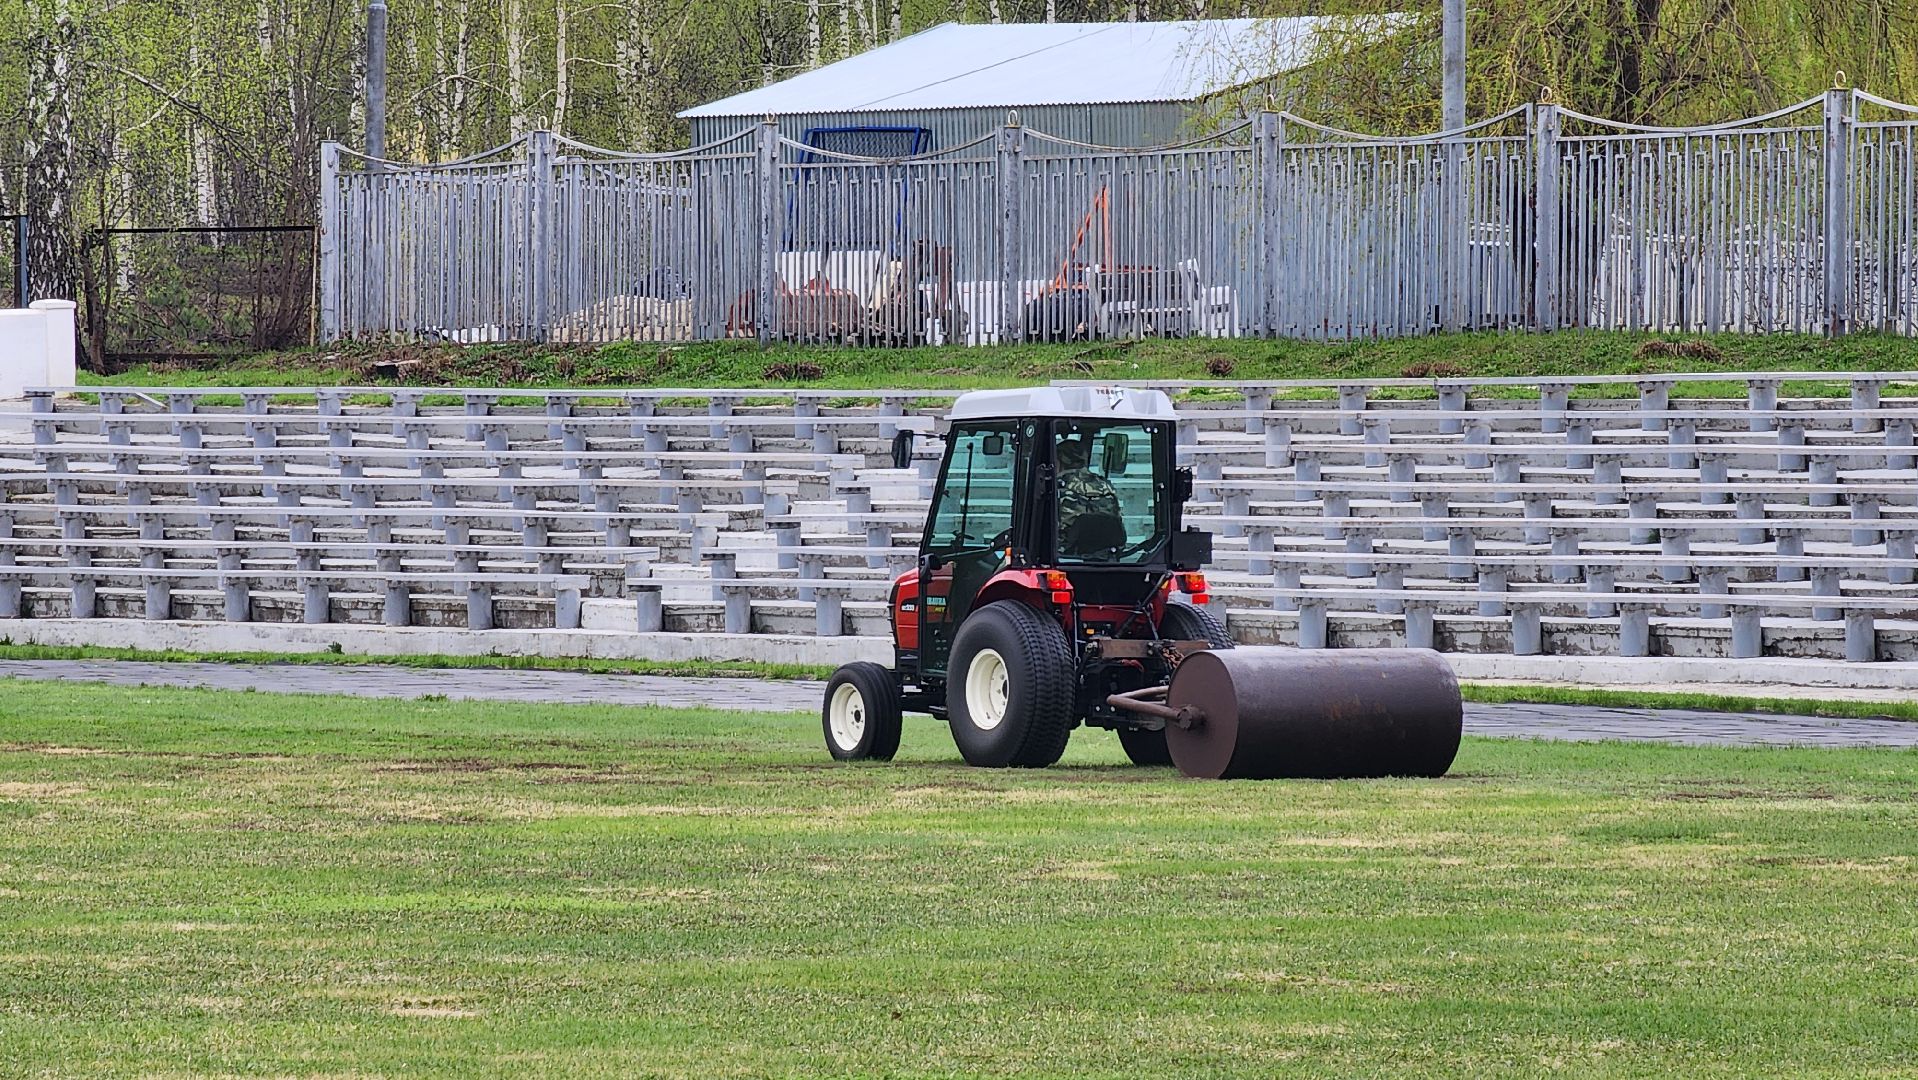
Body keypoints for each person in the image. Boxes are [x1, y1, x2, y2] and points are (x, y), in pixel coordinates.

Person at [1056, 436, 1123, 555]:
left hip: (1066, 553)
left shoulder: (1058, 487)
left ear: (1059, 461)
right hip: (1107, 553)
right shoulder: (1106, 486)